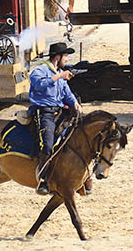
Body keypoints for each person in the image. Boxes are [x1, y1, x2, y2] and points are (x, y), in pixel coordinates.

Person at [29, 42, 81, 195]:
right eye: (65, 56)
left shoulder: (60, 73)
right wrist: (59, 76)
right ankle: (43, 179)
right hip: (44, 112)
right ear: (58, 57)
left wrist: (75, 103)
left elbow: (67, 94)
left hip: (59, 112)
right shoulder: (40, 70)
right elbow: (38, 84)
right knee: (48, 143)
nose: (66, 59)